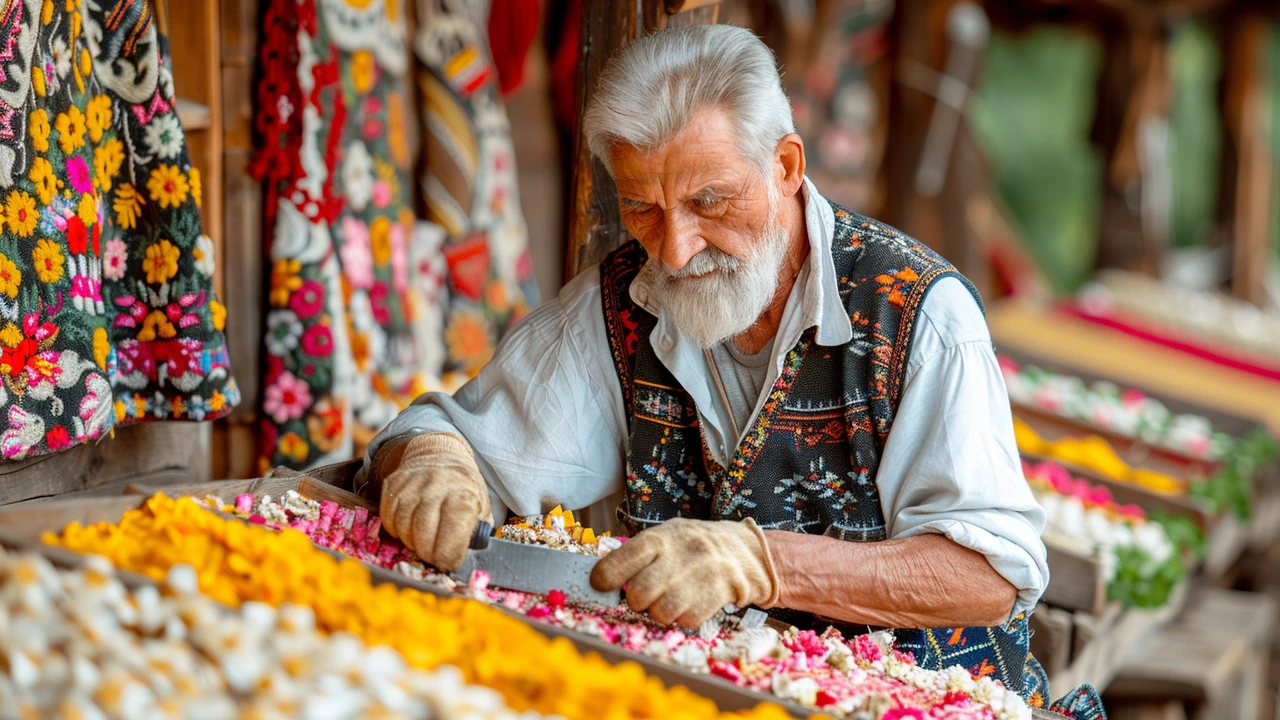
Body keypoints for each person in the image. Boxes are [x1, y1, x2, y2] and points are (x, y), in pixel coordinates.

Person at [360, 24, 1051, 701]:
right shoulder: (626, 297)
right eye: (643, 208)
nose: (677, 250)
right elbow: (463, 441)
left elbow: (986, 576)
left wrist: (760, 562)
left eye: (708, 201)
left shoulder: (920, 312)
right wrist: (434, 461)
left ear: (785, 167)